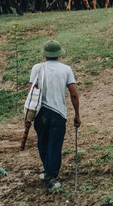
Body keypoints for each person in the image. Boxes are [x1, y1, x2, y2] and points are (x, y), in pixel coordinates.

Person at [28, 39, 81, 193]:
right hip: (58, 113)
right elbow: (74, 94)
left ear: (45, 55)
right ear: (59, 54)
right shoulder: (66, 69)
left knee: (42, 142)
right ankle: (52, 177)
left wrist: (28, 117)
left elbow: (31, 93)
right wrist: (77, 114)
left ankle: (46, 170)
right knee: (54, 144)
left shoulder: (36, 68)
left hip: (39, 113)